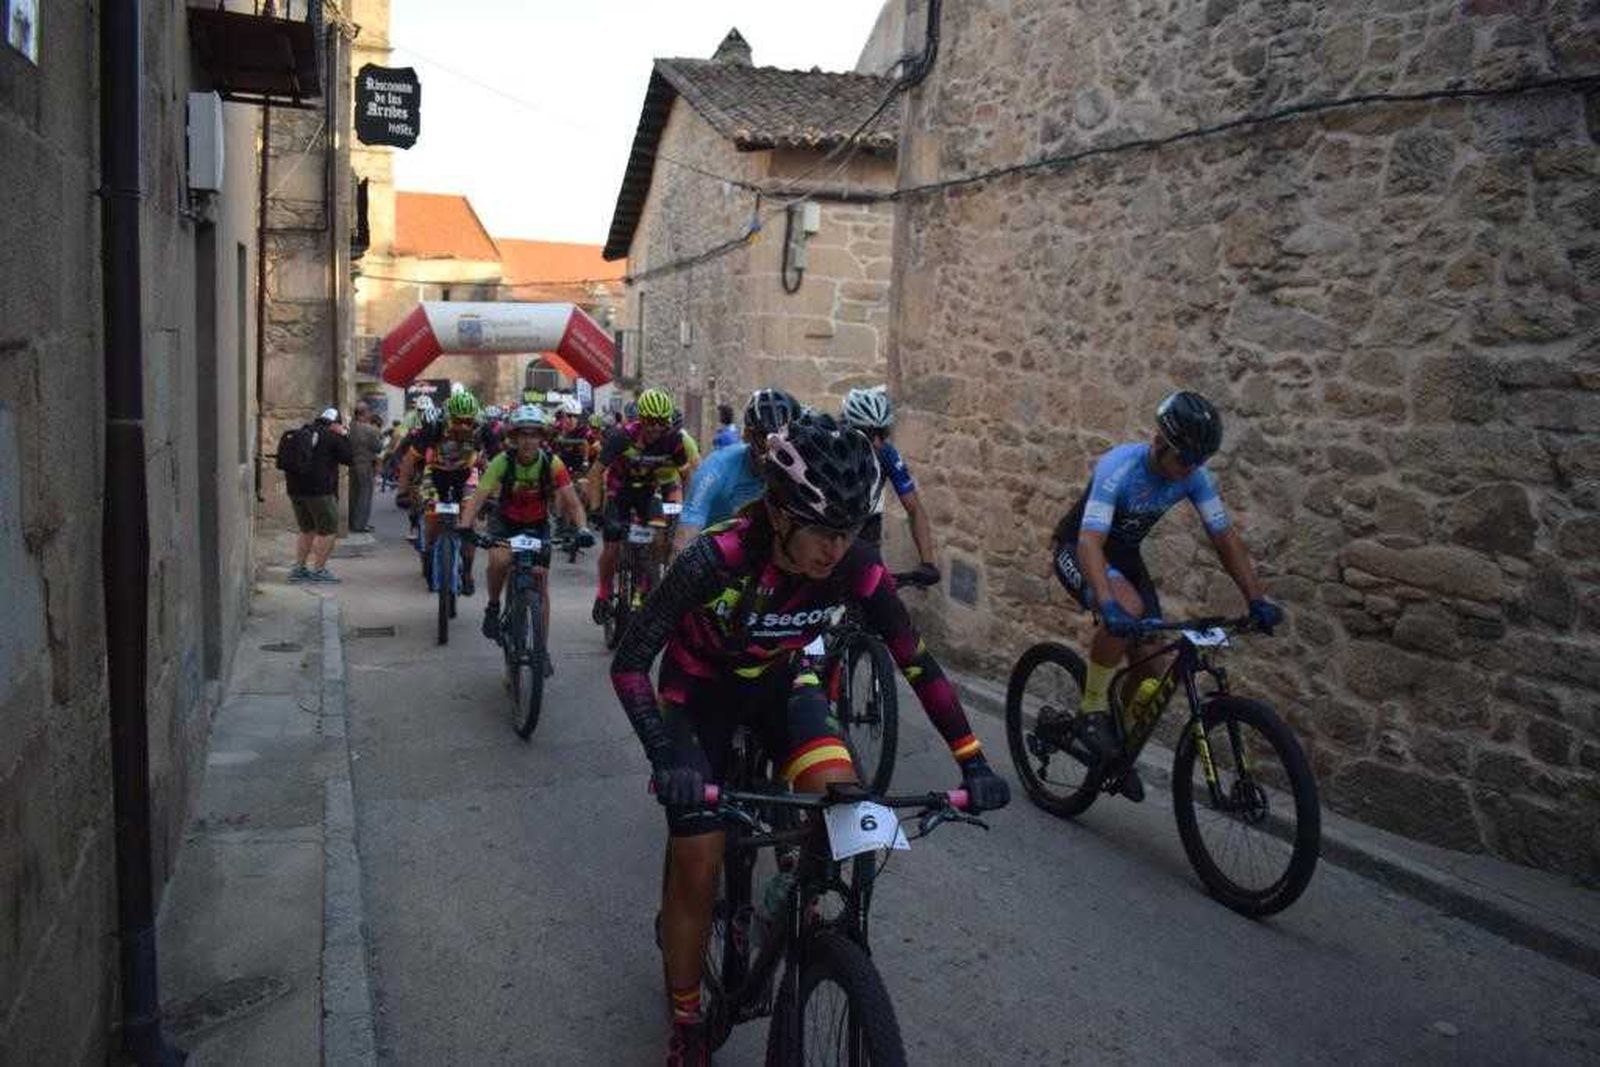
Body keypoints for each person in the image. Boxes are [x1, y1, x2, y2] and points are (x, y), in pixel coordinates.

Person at [610, 413, 1009, 1064]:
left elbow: (916, 661)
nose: (836, 548)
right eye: (823, 530)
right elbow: (629, 665)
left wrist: (974, 761)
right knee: (698, 854)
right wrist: (665, 759)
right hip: (699, 695)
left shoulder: (857, 565)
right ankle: (686, 1018)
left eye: (848, 530)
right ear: (780, 511)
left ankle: (805, 925)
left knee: (846, 805)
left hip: (781, 684)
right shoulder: (718, 558)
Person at [1048, 390, 1283, 801]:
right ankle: (1091, 709)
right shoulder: (1118, 467)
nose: (1191, 469)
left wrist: (1256, 599)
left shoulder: (1193, 475)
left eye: (1199, 462)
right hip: (1081, 548)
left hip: (1126, 558)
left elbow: (1224, 538)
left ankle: (1115, 748)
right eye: (1186, 459)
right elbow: (1089, 542)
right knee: (1127, 610)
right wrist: (1106, 604)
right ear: (1161, 443)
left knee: (1150, 675)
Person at [460, 405, 591, 656]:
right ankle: (493, 605)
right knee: (499, 560)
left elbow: (573, 502)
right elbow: (478, 497)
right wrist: (466, 526)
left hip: (537, 523)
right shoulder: (502, 462)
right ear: (514, 437)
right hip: (505, 522)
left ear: (542, 437)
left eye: (534, 435)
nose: (528, 440)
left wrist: (583, 528)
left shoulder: (553, 463)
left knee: (540, 581)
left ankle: (541, 649)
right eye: (523, 434)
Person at [590, 388, 694, 624]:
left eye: (661, 422)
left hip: (649, 494)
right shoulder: (621, 437)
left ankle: (645, 583)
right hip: (620, 492)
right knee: (613, 544)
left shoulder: (673, 440)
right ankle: (604, 592)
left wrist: (689, 510)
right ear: (641, 419)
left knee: (658, 538)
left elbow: (687, 477)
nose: (656, 427)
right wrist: (595, 509)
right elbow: (596, 473)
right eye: (650, 421)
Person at [672, 388, 802, 553]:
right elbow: (686, 533)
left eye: (786, 441)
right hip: (712, 554)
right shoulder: (717, 468)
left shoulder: (796, 473)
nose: (774, 449)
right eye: (765, 438)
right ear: (747, 435)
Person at [840, 386, 939, 585]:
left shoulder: (886, 453)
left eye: (882, 433)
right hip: (832, 536)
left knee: (887, 610)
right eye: (870, 433)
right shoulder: (833, 451)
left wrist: (928, 563)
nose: (877, 442)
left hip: (865, 534)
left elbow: (914, 509)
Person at [397, 390, 484, 595]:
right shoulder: (433, 428)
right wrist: (402, 491)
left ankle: (468, 572)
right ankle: (428, 554)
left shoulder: (481, 430)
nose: (463, 426)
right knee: (432, 518)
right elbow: (409, 461)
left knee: (469, 521)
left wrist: (494, 495)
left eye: (467, 421)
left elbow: (497, 460)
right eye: (457, 421)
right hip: (436, 471)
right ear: (447, 417)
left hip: (466, 472)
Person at [283, 407, 353, 583]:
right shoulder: (332, 437)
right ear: (335, 423)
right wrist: (344, 435)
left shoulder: (302, 432)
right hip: (320, 492)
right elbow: (349, 458)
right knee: (328, 530)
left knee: (307, 529)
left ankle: (299, 569)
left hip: (295, 490)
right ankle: (319, 570)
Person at [347, 401, 382, 532]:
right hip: (365, 465)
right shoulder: (370, 430)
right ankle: (360, 525)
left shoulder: (350, 427)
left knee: (353, 495)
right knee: (365, 495)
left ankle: (351, 522)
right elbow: (378, 448)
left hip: (351, 464)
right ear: (365, 413)